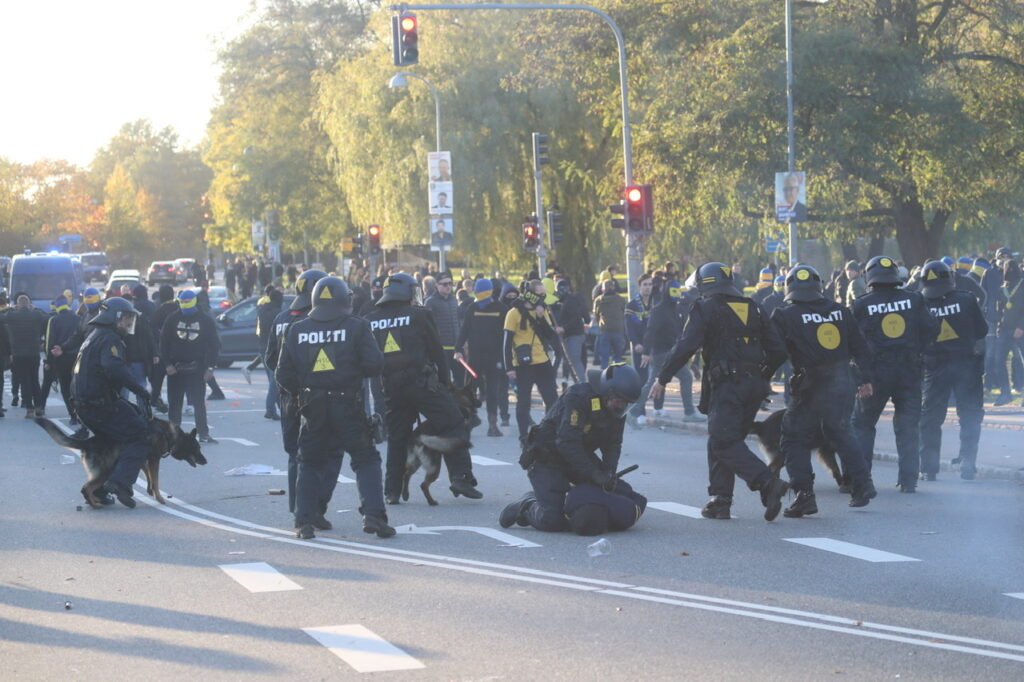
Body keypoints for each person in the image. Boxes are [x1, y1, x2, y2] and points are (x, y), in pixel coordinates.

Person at [650, 262, 789, 521]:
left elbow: (686, 345)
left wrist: (663, 376)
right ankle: (720, 500)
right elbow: (779, 350)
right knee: (724, 438)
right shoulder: (754, 307)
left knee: (723, 440)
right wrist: (762, 374)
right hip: (754, 386)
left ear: (707, 285)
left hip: (728, 386)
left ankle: (767, 483)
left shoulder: (705, 308)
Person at [276, 277, 394, 540]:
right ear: (344, 299)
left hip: (312, 407)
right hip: (348, 404)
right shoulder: (357, 327)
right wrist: (349, 373)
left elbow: (283, 374)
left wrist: (306, 390)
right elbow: (375, 365)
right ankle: (374, 516)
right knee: (365, 459)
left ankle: (304, 522)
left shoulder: (296, 329)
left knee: (309, 462)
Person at [364, 273, 482, 504]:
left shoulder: (370, 320)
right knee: (454, 422)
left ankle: (391, 491)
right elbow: (437, 351)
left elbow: (369, 361)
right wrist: (446, 384)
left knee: (397, 438)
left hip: (393, 390)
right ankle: (461, 477)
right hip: (423, 386)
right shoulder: (419, 315)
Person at [771, 264, 877, 516]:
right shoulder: (840, 311)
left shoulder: (785, 315)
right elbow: (860, 348)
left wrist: (761, 380)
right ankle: (862, 485)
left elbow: (774, 352)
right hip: (842, 381)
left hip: (809, 386)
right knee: (841, 432)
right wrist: (865, 379)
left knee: (794, 438)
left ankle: (804, 495)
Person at [500, 364, 643, 532]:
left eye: (626, 404)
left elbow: (613, 444)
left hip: (579, 456)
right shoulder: (578, 397)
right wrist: (593, 473)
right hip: (547, 456)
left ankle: (573, 500)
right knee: (552, 519)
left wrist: (607, 472)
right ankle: (527, 505)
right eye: (619, 401)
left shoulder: (615, 408)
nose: (621, 406)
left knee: (621, 492)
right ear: (607, 392)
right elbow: (567, 442)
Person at [851, 256, 937, 492]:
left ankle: (861, 480)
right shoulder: (914, 299)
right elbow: (931, 328)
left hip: (875, 374)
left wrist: (862, 378)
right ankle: (909, 481)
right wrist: (916, 350)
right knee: (908, 426)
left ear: (870, 277)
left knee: (863, 425)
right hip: (909, 371)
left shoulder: (861, 304)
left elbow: (853, 344)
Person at [72, 297, 151, 508]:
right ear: (117, 318)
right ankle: (120, 483)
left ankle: (98, 490)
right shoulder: (110, 339)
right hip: (99, 405)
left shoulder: (94, 336)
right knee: (139, 434)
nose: (128, 324)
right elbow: (114, 369)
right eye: (127, 319)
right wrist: (141, 391)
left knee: (113, 441)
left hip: (86, 405)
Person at [917, 260, 988, 480]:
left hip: (935, 367)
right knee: (969, 415)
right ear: (950, 278)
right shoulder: (967, 299)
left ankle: (928, 468)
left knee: (930, 418)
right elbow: (982, 330)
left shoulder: (920, 303)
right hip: (967, 365)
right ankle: (968, 462)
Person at [265, 269, 327, 512]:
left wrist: (285, 381)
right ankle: (312, 508)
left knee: (294, 454)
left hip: (287, 395)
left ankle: (296, 506)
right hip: (314, 394)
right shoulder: (314, 320)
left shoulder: (281, 319)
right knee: (315, 454)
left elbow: (270, 359)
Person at [633, 280, 701, 422]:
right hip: (660, 352)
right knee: (654, 381)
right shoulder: (659, 310)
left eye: (678, 291)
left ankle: (689, 413)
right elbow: (650, 331)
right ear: (667, 291)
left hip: (671, 352)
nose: (676, 294)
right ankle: (635, 411)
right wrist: (646, 352)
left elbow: (679, 330)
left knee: (678, 378)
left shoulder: (676, 309)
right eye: (673, 291)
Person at [504, 280, 561, 441]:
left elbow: (550, 336)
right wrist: (509, 367)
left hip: (542, 362)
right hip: (523, 364)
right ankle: (523, 435)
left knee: (552, 400)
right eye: (540, 293)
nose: (542, 297)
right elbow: (506, 342)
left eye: (544, 294)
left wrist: (542, 317)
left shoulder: (542, 310)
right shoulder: (513, 313)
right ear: (530, 294)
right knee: (523, 402)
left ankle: (548, 431)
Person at [161, 289, 220, 444]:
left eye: (188, 301)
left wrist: (210, 367)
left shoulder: (205, 320)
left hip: (197, 369)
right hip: (176, 369)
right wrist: (167, 364)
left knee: (199, 403)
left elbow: (214, 345)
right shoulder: (172, 319)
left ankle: (203, 433)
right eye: (183, 302)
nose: (185, 305)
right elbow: (163, 343)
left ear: (194, 301)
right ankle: (173, 435)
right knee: (175, 404)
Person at [455, 278, 508, 437]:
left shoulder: (479, 307)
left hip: (482, 357)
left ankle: (483, 424)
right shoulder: (498, 308)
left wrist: (458, 348)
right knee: (479, 390)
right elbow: (465, 330)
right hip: (487, 358)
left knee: (475, 390)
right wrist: (458, 348)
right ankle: (485, 424)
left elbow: (464, 330)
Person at [5, 294, 48, 418]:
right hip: (33, 353)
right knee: (34, 379)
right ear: (29, 304)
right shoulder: (36, 315)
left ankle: (29, 408)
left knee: (24, 381)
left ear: (18, 304)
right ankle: (39, 407)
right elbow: (48, 317)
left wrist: (11, 309)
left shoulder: (12, 315)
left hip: (18, 354)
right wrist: (35, 309)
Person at [41, 295, 82, 420]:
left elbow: (49, 342)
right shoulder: (78, 318)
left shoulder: (54, 320)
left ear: (57, 306)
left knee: (64, 387)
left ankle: (72, 414)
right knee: (77, 386)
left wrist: (49, 360)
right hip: (77, 358)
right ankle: (80, 413)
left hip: (60, 357)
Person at [991, 260, 1024, 406]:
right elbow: (1000, 309)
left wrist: (1021, 327)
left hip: (1020, 329)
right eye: (1007, 268)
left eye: (1011, 268)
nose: (1009, 270)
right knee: (999, 360)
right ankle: (1005, 393)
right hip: (1004, 329)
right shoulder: (1002, 288)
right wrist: (999, 325)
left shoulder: (1022, 285)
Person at [424, 271, 463, 387]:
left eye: (450, 284)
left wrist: (462, 342)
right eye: (444, 284)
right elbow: (428, 326)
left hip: (456, 348)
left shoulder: (454, 300)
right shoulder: (430, 302)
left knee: (459, 379)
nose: (448, 287)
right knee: (443, 380)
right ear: (437, 285)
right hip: (441, 349)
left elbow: (458, 321)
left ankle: (458, 403)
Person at [624, 274, 653, 420]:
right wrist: (636, 343)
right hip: (640, 347)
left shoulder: (655, 302)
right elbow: (630, 327)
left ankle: (658, 408)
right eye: (645, 285)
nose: (648, 287)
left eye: (650, 284)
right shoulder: (632, 305)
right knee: (643, 379)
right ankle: (639, 411)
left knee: (656, 377)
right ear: (640, 286)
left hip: (654, 345)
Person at [551, 278, 589, 384]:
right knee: (570, 360)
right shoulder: (565, 301)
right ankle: (575, 381)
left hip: (574, 335)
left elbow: (575, 318)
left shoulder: (570, 301)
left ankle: (581, 383)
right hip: (571, 335)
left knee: (574, 360)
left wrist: (564, 328)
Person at [592, 279, 626, 368]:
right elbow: (625, 313)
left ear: (603, 289)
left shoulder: (598, 300)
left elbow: (596, 315)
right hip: (618, 330)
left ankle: (604, 377)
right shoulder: (620, 299)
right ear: (613, 288)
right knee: (618, 357)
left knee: (604, 357)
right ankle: (618, 376)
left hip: (604, 330)